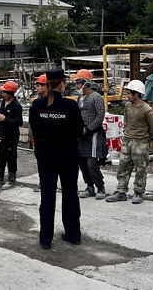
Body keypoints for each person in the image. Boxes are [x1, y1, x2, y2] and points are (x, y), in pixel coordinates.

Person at [29, 68, 84, 249]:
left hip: (46, 158)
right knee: (70, 196)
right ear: (62, 84)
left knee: (47, 198)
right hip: (68, 157)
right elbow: (79, 131)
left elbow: (35, 130)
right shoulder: (70, 106)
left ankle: (45, 239)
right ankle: (73, 235)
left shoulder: (37, 106)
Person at [106, 79, 153, 205]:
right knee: (123, 166)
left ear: (137, 94)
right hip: (127, 141)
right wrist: (126, 131)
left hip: (141, 143)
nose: (127, 95)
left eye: (129, 93)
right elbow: (126, 121)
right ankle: (121, 191)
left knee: (140, 169)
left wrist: (144, 139)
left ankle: (138, 192)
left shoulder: (147, 110)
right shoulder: (128, 106)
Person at [74, 70, 107, 200]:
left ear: (86, 83)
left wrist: (88, 129)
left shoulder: (96, 97)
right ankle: (90, 186)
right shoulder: (80, 99)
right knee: (82, 163)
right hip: (82, 136)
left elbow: (100, 116)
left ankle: (100, 187)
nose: (77, 85)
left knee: (91, 163)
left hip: (94, 135)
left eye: (78, 82)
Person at [0, 81, 23, 188]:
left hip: (12, 136)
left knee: (11, 157)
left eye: (4, 92)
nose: (2, 94)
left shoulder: (16, 106)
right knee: (1, 156)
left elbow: (19, 122)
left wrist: (5, 119)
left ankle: (11, 180)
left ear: (10, 93)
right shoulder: (3, 102)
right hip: (4, 135)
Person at [33, 73, 48, 193]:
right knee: (41, 161)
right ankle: (43, 182)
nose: (37, 88)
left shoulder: (52, 102)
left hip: (50, 138)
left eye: (39, 85)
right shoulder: (37, 103)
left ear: (45, 86)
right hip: (39, 138)